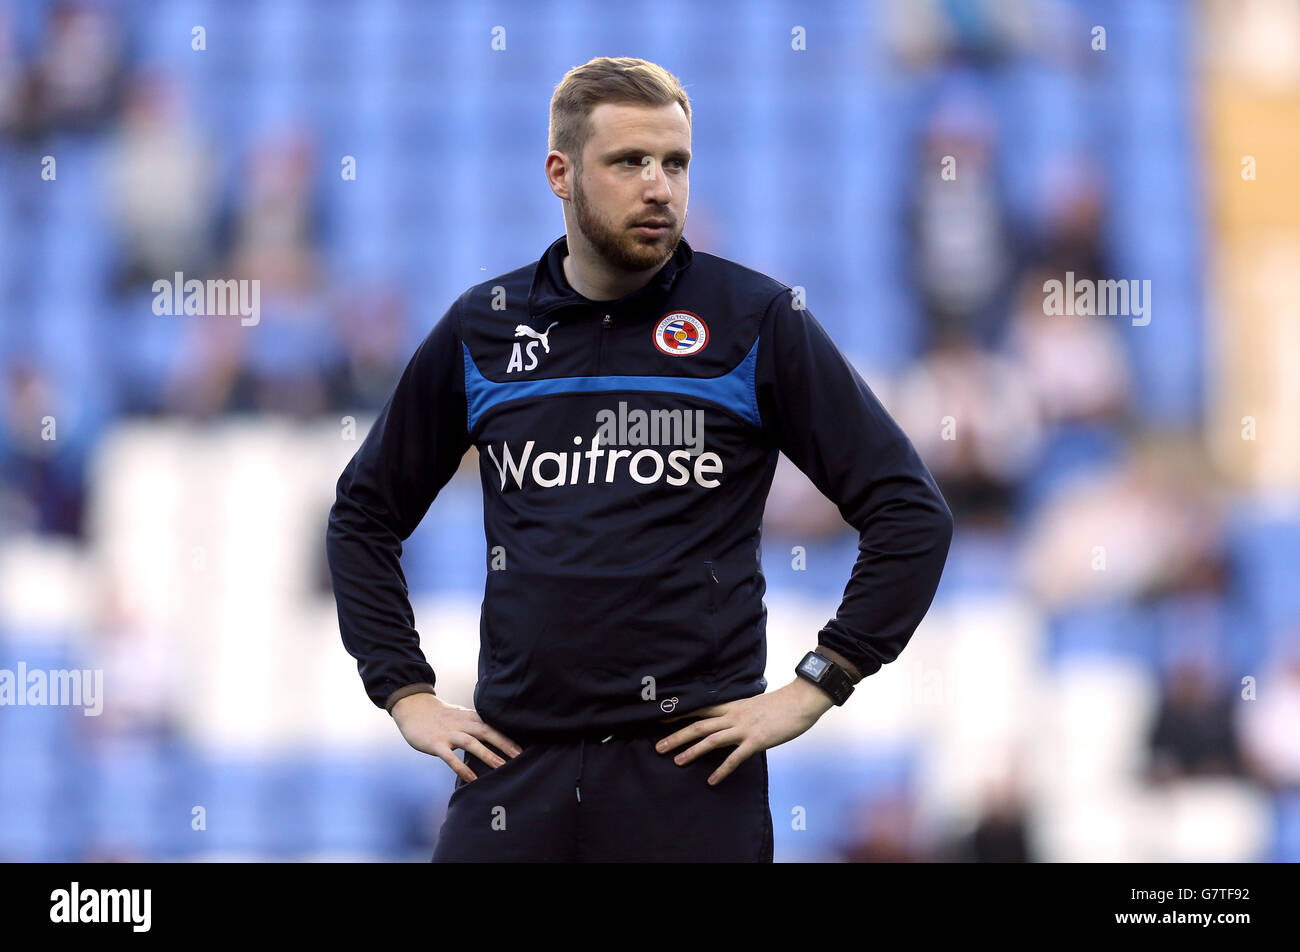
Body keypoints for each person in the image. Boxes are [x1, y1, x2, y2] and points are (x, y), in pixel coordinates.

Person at [325, 56, 954, 862]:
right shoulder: (485, 328)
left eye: (676, 163)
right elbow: (363, 515)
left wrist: (820, 681)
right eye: (629, 162)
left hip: (690, 777)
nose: (659, 187)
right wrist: (404, 690)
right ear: (560, 174)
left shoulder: (754, 320)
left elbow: (909, 513)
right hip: (514, 769)